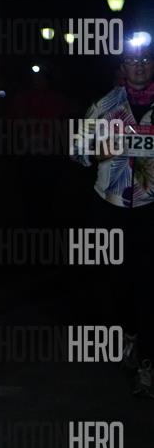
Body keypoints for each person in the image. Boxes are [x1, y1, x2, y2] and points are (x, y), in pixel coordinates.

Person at [71, 38, 154, 397]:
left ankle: (148, 363)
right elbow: (76, 149)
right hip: (111, 204)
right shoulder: (104, 105)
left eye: (146, 60)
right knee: (119, 281)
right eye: (133, 61)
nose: (140, 66)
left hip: (151, 206)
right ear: (123, 67)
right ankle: (129, 334)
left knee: (149, 284)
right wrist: (96, 154)